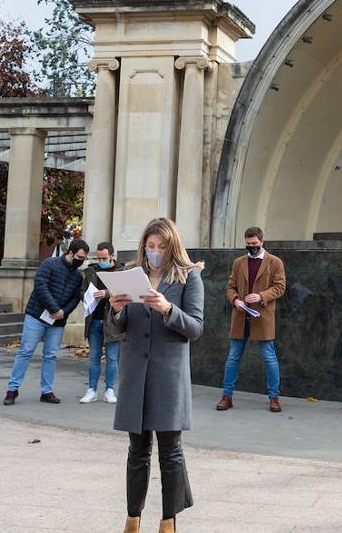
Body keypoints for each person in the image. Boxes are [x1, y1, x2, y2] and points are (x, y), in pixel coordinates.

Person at [108, 217, 204, 533]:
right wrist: (117, 309)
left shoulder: (189, 278)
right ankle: (132, 519)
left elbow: (195, 328)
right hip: (136, 372)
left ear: (172, 246)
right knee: (137, 451)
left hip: (167, 375)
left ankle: (168, 522)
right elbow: (114, 331)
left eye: (161, 246)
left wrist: (167, 309)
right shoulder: (131, 275)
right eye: (150, 246)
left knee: (170, 452)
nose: (155, 252)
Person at [3, 239, 87, 406]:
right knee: (26, 351)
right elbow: (40, 286)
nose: (81, 261)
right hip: (36, 316)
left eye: (83, 258)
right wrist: (55, 308)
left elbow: (75, 298)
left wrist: (63, 313)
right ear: (70, 252)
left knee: (50, 355)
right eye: (79, 257)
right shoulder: (50, 263)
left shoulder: (78, 276)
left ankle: (46, 391)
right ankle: (12, 389)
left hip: (57, 321)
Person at [216, 226, 287, 413]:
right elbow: (230, 287)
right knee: (233, 357)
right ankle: (226, 396)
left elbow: (280, 287)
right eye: (248, 244)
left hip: (262, 317)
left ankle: (274, 397)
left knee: (269, 358)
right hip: (241, 316)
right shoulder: (239, 262)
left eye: (255, 244)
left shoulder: (275, 262)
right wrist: (235, 300)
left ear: (262, 242)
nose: (252, 247)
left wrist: (261, 296)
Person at [79, 242, 120, 405]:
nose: (101, 260)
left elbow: (125, 292)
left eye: (104, 257)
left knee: (111, 357)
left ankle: (109, 390)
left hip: (112, 320)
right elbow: (81, 291)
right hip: (94, 319)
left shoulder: (120, 271)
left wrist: (106, 293)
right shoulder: (90, 271)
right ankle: (92, 390)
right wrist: (87, 297)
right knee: (94, 357)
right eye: (99, 257)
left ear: (112, 256)